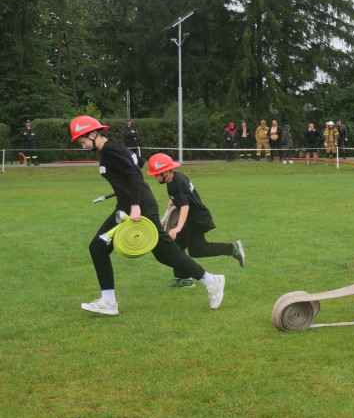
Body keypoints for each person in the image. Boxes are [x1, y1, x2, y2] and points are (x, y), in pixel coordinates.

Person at [69, 115, 225, 316]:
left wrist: (135, 204)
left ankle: (212, 281)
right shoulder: (115, 148)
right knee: (104, 248)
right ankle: (108, 301)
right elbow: (138, 162)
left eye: (82, 141)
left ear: (92, 133)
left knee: (161, 252)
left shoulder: (109, 149)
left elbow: (134, 173)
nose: (82, 146)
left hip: (138, 206)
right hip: (128, 205)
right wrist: (122, 187)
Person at [147, 152, 245, 286]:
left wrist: (178, 228)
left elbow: (185, 207)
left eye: (156, 174)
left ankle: (232, 248)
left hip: (195, 219)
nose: (154, 177)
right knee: (176, 247)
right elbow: (185, 195)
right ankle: (185, 279)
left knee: (197, 250)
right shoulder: (175, 178)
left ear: (166, 172)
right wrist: (173, 201)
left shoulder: (177, 184)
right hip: (190, 218)